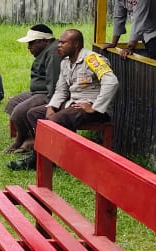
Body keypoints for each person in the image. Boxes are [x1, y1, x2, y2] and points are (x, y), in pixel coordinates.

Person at [9, 28, 119, 170]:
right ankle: (53, 155)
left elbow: (111, 81)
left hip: (91, 109)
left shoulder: (92, 59)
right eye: (59, 42)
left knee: (54, 121)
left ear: (76, 44)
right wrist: (51, 106)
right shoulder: (65, 62)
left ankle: (37, 159)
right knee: (34, 114)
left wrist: (95, 107)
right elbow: (61, 89)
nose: (59, 45)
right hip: (72, 105)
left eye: (63, 43)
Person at [4, 24, 59, 153]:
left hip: (47, 93)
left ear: (44, 41)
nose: (29, 47)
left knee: (19, 112)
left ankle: (20, 140)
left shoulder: (53, 54)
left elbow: (54, 82)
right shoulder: (45, 51)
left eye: (32, 43)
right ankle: (29, 137)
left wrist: (53, 103)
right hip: (37, 91)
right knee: (13, 103)